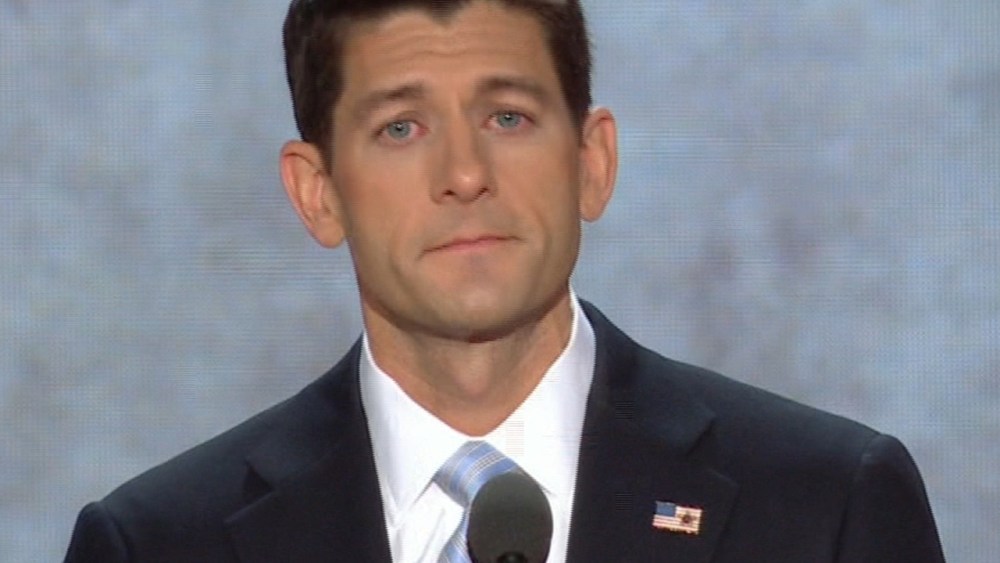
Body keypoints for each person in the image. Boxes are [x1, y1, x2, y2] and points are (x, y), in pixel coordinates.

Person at [64, 0, 946, 561]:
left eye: (508, 117)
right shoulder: (156, 543)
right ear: (317, 192)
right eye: (401, 128)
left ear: (591, 162)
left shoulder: (829, 506)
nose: (465, 173)